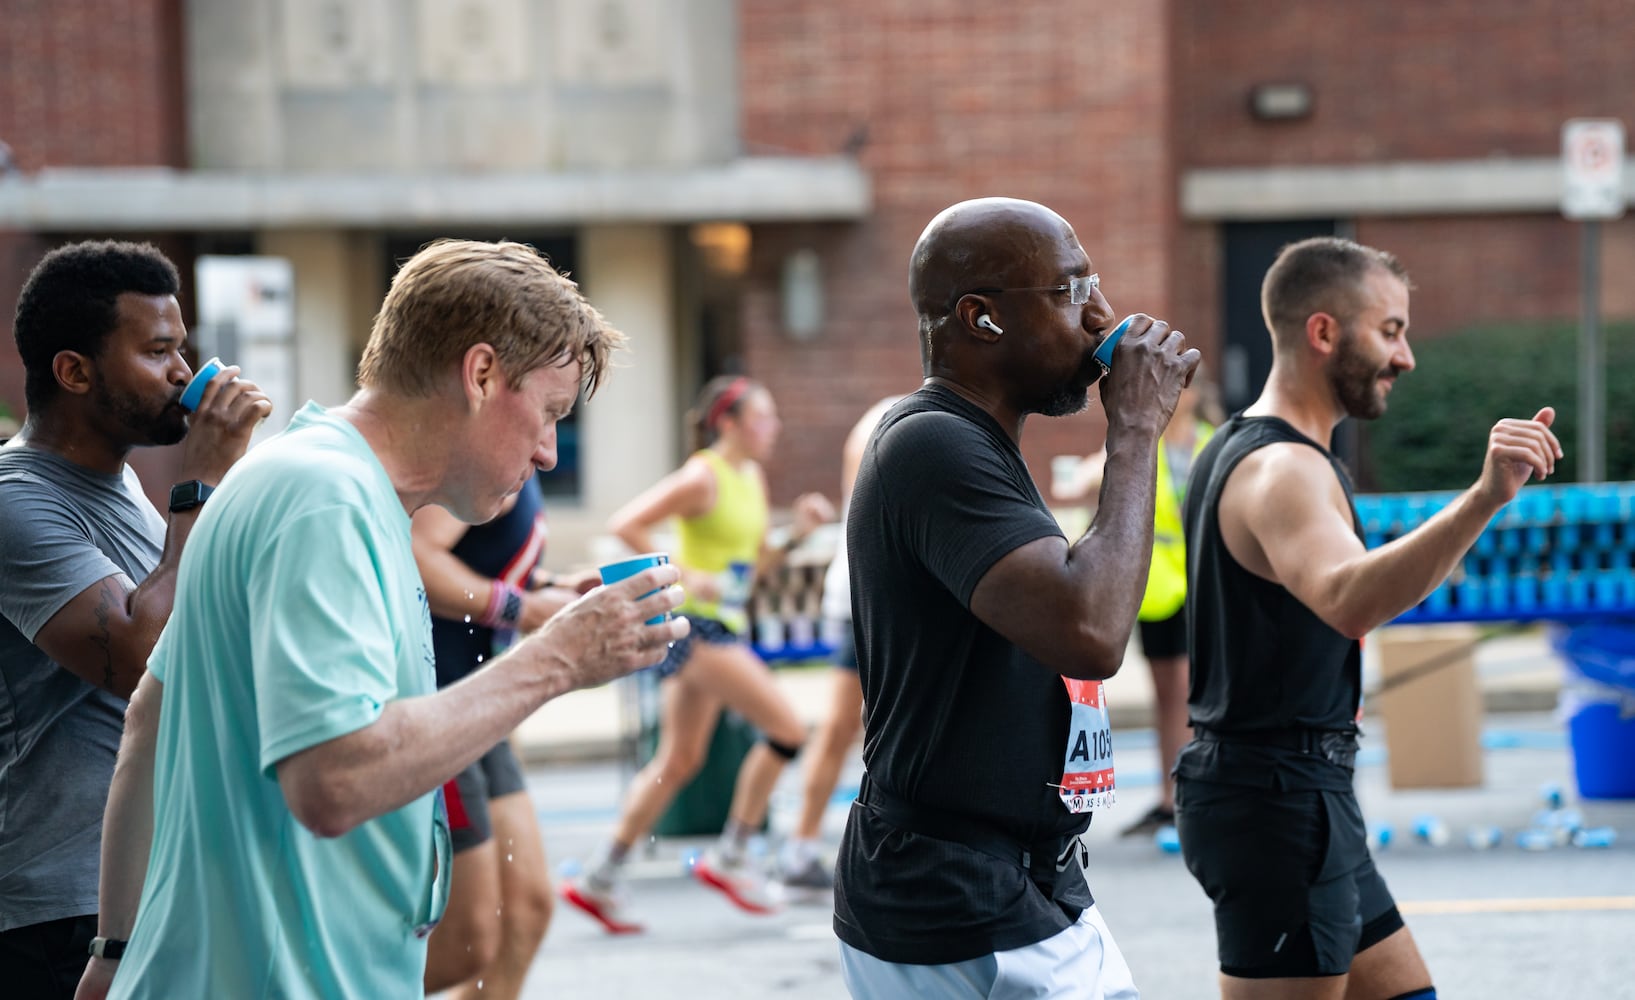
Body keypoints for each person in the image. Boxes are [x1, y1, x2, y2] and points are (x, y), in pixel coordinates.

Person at [75, 239, 688, 1000]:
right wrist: (556, 660)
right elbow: (332, 781)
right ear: (482, 373)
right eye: (549, 414)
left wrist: (113, 951)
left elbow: (149, 720)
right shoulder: (326, 501)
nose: (547, 455)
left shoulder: (319, 480)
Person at [1175, 236, 1559, 999]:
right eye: (1389, 331)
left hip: (1296, 794)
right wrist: (1482, 499)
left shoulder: (1245, 448)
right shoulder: (1283, 468)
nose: (1406, 356)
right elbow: (1350, 598)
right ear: (1322, 333)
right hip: (1275, 801)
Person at [834, 197, 1199, 999]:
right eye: (1071, 291)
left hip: (1009, 884)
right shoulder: (933, 444)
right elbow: (1091, 629)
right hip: (960, 895)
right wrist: (1134, 430)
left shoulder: (972, 445)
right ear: (982, 319)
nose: (1101, 317)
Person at [0, 240, 270, 999]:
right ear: (74, 372)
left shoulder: (120, 487)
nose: (185, 375)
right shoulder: (17, 500)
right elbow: (141, 653)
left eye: (182, 349)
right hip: (64, 909)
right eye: (158, 352)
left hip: (150, 882)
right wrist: (204, 482)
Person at [560, 376, 834, 932]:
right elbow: (625, 524)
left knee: (679, 760)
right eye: (764, 418)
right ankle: (732, 856)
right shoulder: (703, 475)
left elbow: (755, 568)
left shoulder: (750, 478)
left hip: (718, 623)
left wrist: (797, 535)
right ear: (728, 424)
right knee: (788, 731)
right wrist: (688, 575)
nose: (774, 429)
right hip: (697, 627)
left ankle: (600, 877)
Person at [412, 473, 601, 999]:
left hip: (486, 704)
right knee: (465, 948)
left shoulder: (523, 456)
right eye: (550, 409)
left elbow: (483, 564)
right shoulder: (484, 457)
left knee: (527, 911)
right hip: (439, 703)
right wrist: (521, 609)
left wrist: (555, 590)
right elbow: (416, 556)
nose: (552, 451)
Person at [1052, 376, 1221, 837]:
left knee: (1192, 694)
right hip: (1161, 589)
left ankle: (1192, 794)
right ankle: (1172, 798)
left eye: (1183, 387)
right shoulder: (1148, 446)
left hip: (1203, 587)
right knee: (1171, 696)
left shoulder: (1213, 444)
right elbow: (1098, 478)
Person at [778, 394, 902, 892]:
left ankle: (805, 844)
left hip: (865, 591)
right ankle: (803, 845)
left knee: (859, 728)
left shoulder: (894, 415)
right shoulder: (893, 416)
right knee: (855, 728)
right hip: (868, 594)